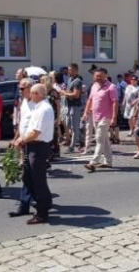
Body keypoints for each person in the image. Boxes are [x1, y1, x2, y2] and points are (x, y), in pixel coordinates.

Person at [14, 84, 55, 225]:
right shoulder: (39, 107)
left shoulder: (43, 109)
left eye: (32, 93)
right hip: (33, 146)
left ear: (39, 94)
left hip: (38, 146)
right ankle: (46, 203)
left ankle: (42, 213)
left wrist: (21, 139)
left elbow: (35, 132)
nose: (30, 95)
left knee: (38, 181)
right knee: (28, 177)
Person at [9, 78, 35, 217]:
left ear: (31, 88)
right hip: (24, 142)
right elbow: (22, 123)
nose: (20, 91)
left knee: (34, 175)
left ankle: (41, 201)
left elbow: (37, 127)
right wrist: (16, 138)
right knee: (28, 175)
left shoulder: (38, 103)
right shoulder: (24, 102)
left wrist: (24, 139)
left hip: (35, 143)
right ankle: (26, 205)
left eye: (22, 88)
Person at [83, 70, 118, 173]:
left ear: (106, 76)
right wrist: (86, 112)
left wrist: (114, 117)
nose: (97, 78)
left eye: (99, 76)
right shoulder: (94, 86)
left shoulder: (111, 87)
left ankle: (93, 162)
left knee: (99, 139)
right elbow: (90, 99)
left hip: (106, 117)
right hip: (95, 117)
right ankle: (108, 162)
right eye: (96, 76)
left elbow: (115, 102)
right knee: (105, 140)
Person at [59, 63, 84, 153]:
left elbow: (76, 95)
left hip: (75, 106)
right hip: (69, 105)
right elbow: (70, 91)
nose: (68, 71)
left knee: (74, 127)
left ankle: (72, 147)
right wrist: (66, 91)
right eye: (68, 70)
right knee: (69, 125)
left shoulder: (77, 81)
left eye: (70, 70)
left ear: (76, 70)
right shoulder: (70, 79)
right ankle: (82, 139)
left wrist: (65, 93)